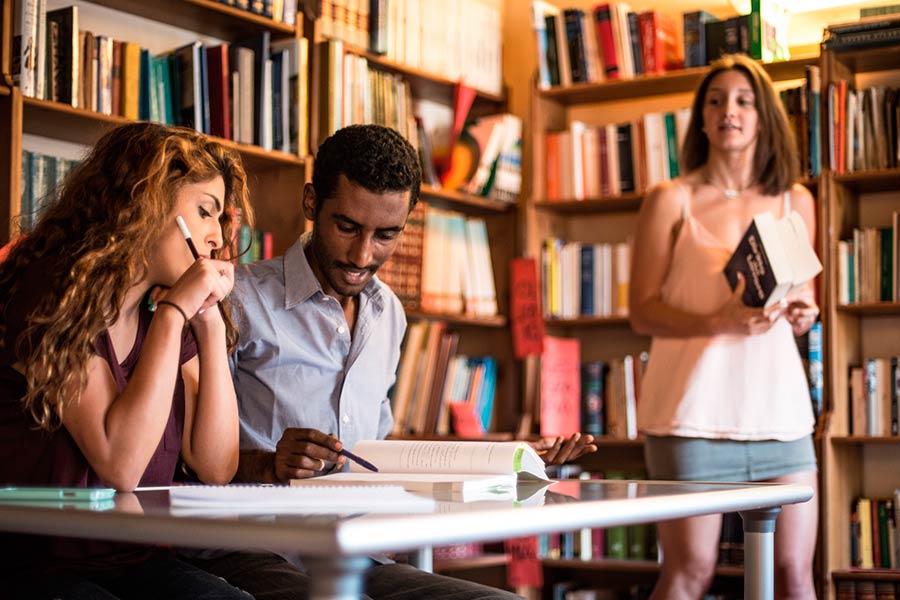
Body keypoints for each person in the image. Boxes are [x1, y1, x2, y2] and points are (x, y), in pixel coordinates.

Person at [186, 124, 596, 599]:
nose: (363, 255)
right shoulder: (235, 298)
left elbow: (376, 462)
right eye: (347, 227)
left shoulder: (389, 316)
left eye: (386, 235)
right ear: (310, 204)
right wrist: (270, 465)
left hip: (361, 553)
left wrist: (507, 464)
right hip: (253, 549)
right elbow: (183, 466)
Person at [0, 122, 253, 600]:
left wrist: (210, 325)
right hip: (33, 563)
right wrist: (176, 311)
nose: (217, 237)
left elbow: (215, 466)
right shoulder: (51, 291)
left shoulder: (164, 317)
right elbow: (120, 462)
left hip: (133, 560)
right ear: (145, 203)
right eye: (205, 212)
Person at [628, 54, 819, 600]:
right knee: (691, 573)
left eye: (742, 100)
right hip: (691, 418)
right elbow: (641, 312)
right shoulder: (671, 199)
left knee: (794, 576)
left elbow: (805, 304)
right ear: (701, 117)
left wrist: (806, 313)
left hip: (781, 420)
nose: (727, 111)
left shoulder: (794, 200)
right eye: (714, 101)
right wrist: (720, 319)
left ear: (763, 116)